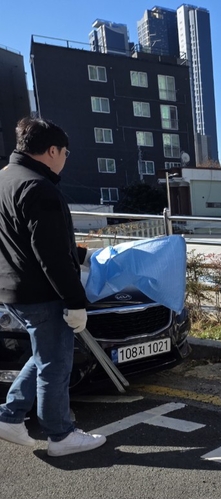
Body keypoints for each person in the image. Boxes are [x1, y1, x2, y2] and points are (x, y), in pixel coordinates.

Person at [0, 117, 107, 456]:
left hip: (11, 288)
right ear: (51, 151)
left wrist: (83, 255)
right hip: (42, 293)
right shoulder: (39, 188)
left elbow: (24, 238)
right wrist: (75, 301)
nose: (65, 159)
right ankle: (60, 435)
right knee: (55, 364)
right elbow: (51, 254)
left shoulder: (5, 179)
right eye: (65, 152)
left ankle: (10, 416)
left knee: (44, 356)